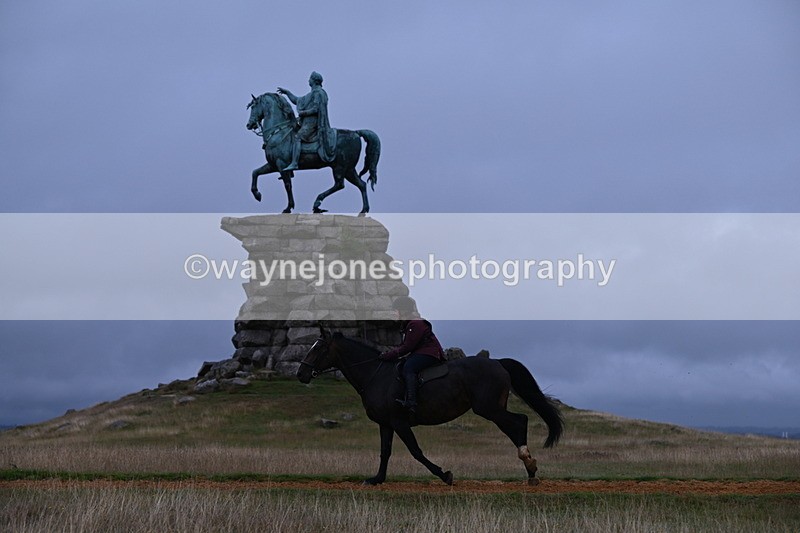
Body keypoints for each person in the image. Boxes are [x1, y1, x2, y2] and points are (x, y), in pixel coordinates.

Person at [379, 296, 445, 414]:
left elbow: (407, 347)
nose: (395, 313)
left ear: (403, 311)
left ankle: (411, 401)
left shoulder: (415, 324)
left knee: (409, 367)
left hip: (429, 353)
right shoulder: (410, 325)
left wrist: (388, 356)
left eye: (396, 310)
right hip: (423, 352)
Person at [277, 71, 336, 170]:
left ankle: (295, 163)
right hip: (306, 123)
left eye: (310, 78)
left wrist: (304, 113)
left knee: (297, 137)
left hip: (313, 124)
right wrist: (287, 93)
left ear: (314, 81)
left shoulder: (319, 93)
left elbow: (316, 109)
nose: (308, 80)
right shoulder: (311, 94)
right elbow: (297, 100)